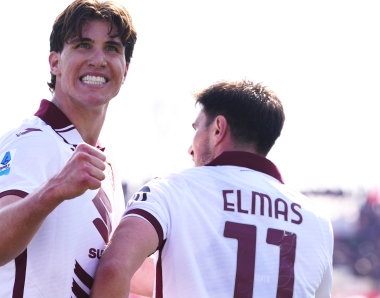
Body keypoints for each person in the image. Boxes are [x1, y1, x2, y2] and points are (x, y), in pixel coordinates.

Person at [0, 0, 152, 297]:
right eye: (83, 45)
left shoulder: (108, 167)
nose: (98, 59)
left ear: (126, 68)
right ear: (54, 62)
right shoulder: (32, 140)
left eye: (112, 48)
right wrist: (55, 188)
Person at [91, 79, 334, 298]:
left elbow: (114, 269)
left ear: (218, 129)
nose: (190, 148)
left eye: (197, 129)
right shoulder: (318, 221)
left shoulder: (171, 190)